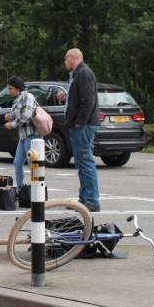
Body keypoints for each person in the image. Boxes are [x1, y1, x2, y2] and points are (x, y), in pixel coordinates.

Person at [64, 48, 101, 212]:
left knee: (85, 162)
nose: (65, 62)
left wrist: (79, 122)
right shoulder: (78, 74)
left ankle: (92, 200)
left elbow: (88, 101)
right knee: (81, 162)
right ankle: (84, 199)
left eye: (66, 59)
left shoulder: (84, 73)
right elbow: (81, 98)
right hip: (80, 125)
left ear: (73, 58)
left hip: (84, 126)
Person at [3, 76, 38, 194]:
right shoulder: (17, 99)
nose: (9, 91)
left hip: (32, 135)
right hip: (23, 136)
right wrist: (9, 115)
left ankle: (36, 190)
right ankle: (20, 190)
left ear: (18, 88)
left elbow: (26, 116)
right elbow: (17, 114)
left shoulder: (28, 97)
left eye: (10, 88)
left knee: (32, 163)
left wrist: (12, 124)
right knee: (17, 162)